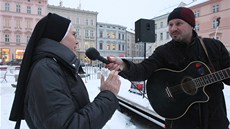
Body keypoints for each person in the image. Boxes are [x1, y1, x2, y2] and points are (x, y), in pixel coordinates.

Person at [105, 7, 230, 129]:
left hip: (215, 119)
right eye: (170, 25)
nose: (173, 28)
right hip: (180, 121)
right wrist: (124, 65)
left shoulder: (214, 47)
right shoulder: (164, 52)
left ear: (192, 25)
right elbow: (143, 70)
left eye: (178, 23)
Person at [9, 13, 121, 129]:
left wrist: (106, 96)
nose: (77, 41)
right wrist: (108, 96)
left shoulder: (56, 66)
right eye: (74, 35)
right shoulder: (46, 70)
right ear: (58, 37)